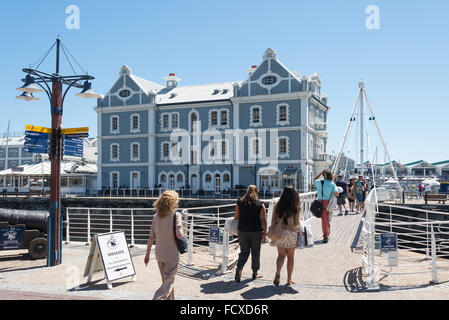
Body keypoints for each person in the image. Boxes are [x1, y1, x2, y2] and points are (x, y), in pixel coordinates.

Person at [144, 190, 184, 300]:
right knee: (168, 282)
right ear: (173, 202)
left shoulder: (156, 217)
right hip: (171, 255)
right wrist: (181, 230)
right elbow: (179, 235)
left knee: (166, 282)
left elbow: (151, 237)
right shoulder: (176, 215)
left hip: (159, 254)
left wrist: (147, 255)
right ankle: (156, 298)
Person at [234, 185, 268, 283]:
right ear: (256, 192)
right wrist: (265, 234)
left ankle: (239, 268)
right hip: (256, 231)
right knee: (255, 252)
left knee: (244, 251)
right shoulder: (260, 204)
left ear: (247, 191)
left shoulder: (239, 202)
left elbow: (236, 217)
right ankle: (254, 273)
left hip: (242, 231)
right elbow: (264, 221)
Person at [270, 186, 301, 286]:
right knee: (290, 257)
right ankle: (289, 279)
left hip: (280, 233)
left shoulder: (277, 205)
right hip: (291, 233)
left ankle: (278, 273)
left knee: (281, 255)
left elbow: (273, 220)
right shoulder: (295, 206)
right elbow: (297, 222)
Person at [314, 170, 339, 243]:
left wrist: (320, 173)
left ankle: (326, 234)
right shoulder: (331, 184)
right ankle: (326, 234)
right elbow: (337, 194)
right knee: (326, 219)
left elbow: (315, 179)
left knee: (324, 220)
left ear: (323, 176)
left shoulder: (319, 182)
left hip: (319, 202)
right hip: (327, 202)